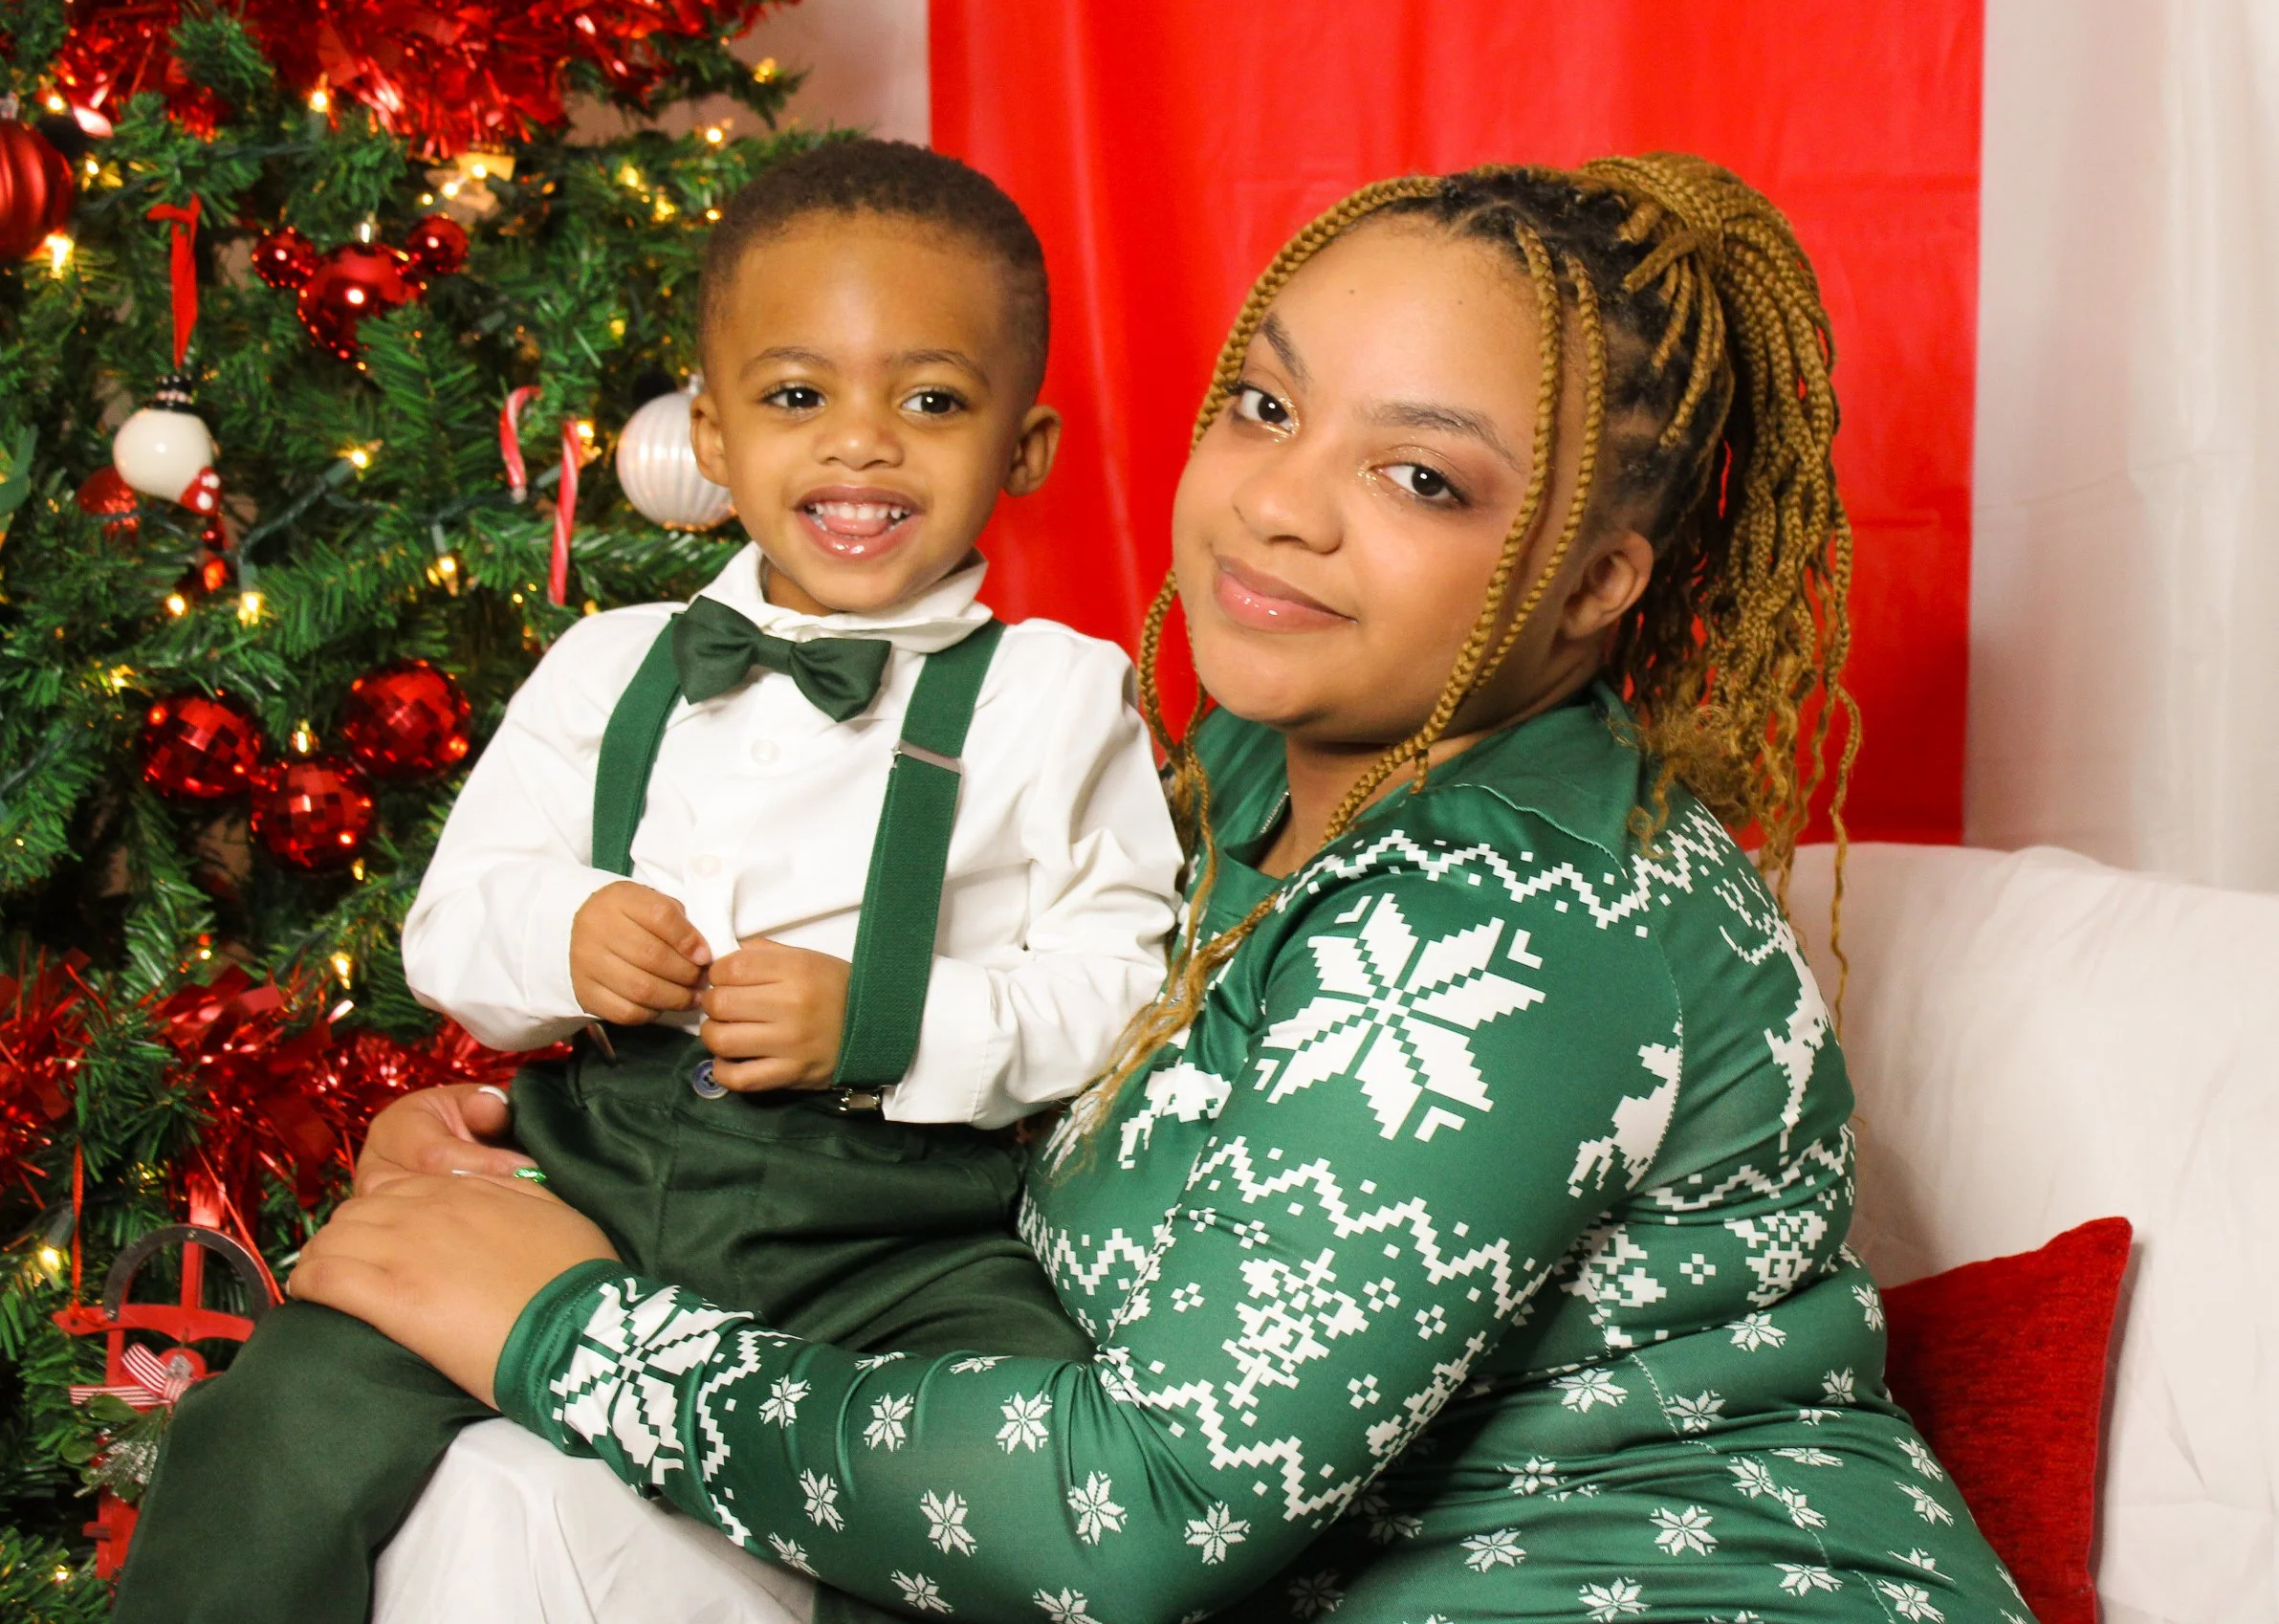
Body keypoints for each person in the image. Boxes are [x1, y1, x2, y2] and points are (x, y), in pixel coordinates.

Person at [294, 158, 2034, 1622]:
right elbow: (986, 1059)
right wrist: (539, 1156)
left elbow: (1136, 1514)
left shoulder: (1528, 927)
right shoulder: (1234, 778)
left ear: (1594, 584)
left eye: (1419, 477)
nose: (1281, 506)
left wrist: (562, 1324)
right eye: (1266, 407)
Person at [114, 140, 1186, 1624]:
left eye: (930, 401)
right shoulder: (610, 665)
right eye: (797, 396)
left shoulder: (1061, 699)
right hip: (591, 1174)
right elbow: (454, 924)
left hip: (887, 1232)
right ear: (714, 430)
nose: (861, 446)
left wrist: (887, 1021)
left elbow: (1121, 991)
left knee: (1021, 1462)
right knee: (280, 1421)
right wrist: (567, 938)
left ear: (1025, 449)